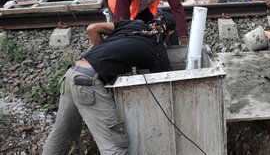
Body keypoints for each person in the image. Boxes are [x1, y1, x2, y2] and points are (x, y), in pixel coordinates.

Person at [42, 12, 177, 154]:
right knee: (115, 145)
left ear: (152, 21)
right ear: (170, 32)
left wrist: (101, 60)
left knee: (63, 133)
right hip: (89, 82)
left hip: (72, 73)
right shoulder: (158, 49)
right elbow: (164, 81)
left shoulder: (133, 24)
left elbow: (92, 28)